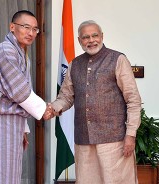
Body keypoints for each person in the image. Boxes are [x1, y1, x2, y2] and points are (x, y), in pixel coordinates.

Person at [47, 20, 142, 184]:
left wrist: (131, 135)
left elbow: (133, 100)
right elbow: (66, 96)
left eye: (95, 35)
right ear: (79, 41)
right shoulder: (75, 64)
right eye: (86, 37)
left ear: (102, 36)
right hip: (84, 142)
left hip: (114, 140)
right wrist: (53, 107)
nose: (91, 40)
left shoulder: (118, 59)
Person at [0, 10, 50, 184]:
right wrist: (45, 109)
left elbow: (22, 92)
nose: (31, 33)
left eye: (35, 29)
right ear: (12, 27)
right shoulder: (5, 49)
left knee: (10, 172)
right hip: (1, 119)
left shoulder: (23, 54)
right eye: (26, 27)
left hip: (14, 120)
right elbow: (19, 90)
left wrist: (23, 128)